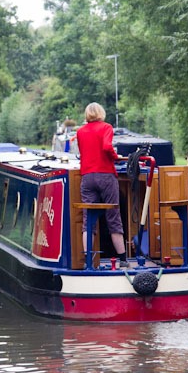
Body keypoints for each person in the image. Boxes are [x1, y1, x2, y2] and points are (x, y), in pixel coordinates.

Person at [76, 102, 128, 267]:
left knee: (88, 220)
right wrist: (115, 156)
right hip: (105, 175)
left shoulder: (80, 131)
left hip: (87, 177)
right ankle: (123, 260)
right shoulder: (106, 127)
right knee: (113, 217)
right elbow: (106, 147)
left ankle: (88, 262)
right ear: (101, 113)